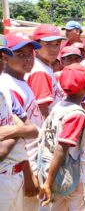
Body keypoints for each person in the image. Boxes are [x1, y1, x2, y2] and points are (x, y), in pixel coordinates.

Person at [0, 32, 44, 210]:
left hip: (21, 165)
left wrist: (10, 131)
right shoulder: (7, 84)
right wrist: (27, 171)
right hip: (13, 170)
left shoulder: (8, 90)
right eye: (20, 55)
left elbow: (31, 129)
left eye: (30, 54)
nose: (27, 59)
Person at [38, 63, 85, 210]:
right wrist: (48, 183)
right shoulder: (76, 114)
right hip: (72, 174)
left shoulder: (59, 106)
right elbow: (61, 149)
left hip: (52, 169)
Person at [27, 24, 65, 119]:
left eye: (57, 44)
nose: (54, 49)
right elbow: (42, 112)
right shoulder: (40, 71)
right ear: (36, 47)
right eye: (48, 44)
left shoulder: (44, 66)